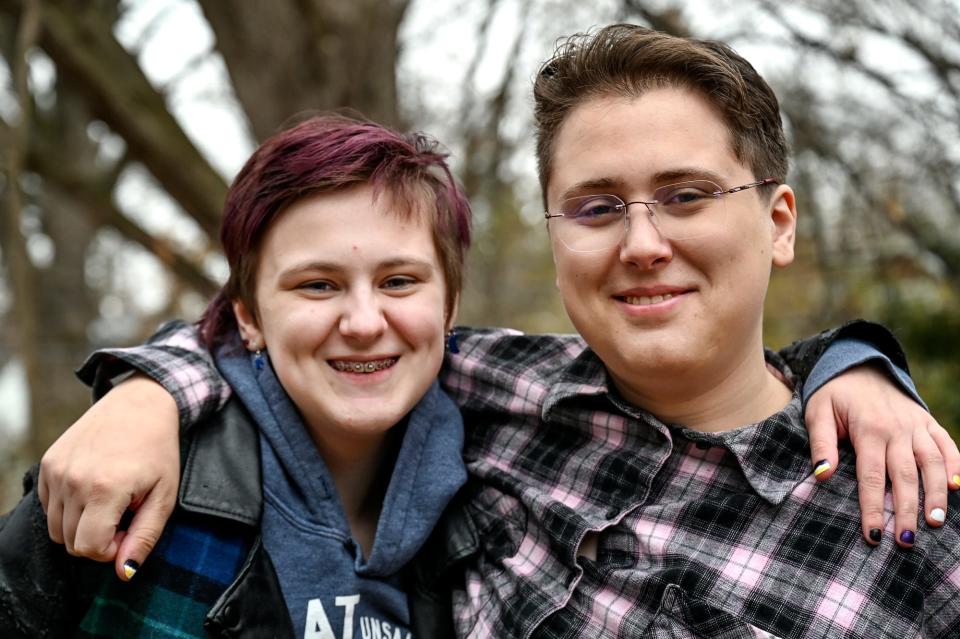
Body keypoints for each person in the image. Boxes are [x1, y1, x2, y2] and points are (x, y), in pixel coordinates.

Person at [24, 25, 960, 638]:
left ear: (781, 222)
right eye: (594, 209)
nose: (642, 243)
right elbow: (292, 341)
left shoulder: (915, 525)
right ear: (554, 242)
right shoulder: (490, 392)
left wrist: (859, 364)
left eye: (686, 195)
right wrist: (146, 393)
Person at [0, 114, 472, 637]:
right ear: (248, 317)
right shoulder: (127, 485)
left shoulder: (503, 497)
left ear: (449, 305)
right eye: (317, 285)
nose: (363, 323)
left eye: (399, 281)